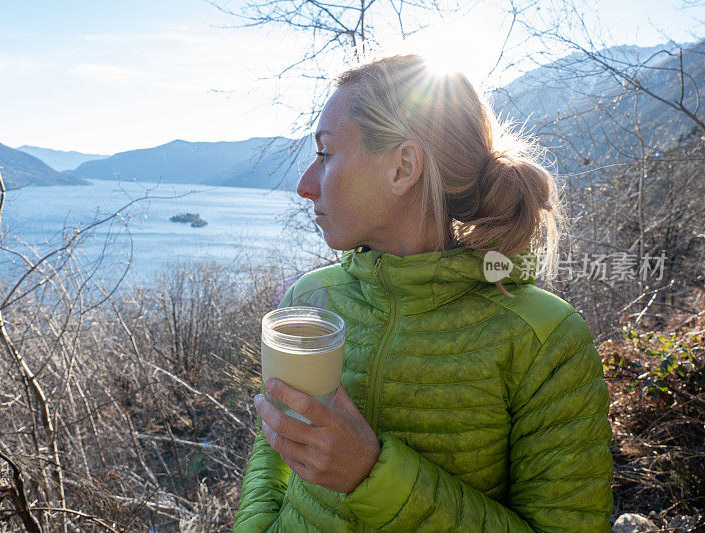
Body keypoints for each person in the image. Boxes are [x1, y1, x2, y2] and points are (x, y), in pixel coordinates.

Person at [234, 55, 613, 532]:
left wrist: (372, 476)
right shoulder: (311, 300)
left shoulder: (544, 338)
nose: (304, 185)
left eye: (325, 154)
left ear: (403, 167)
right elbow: (273, 463)